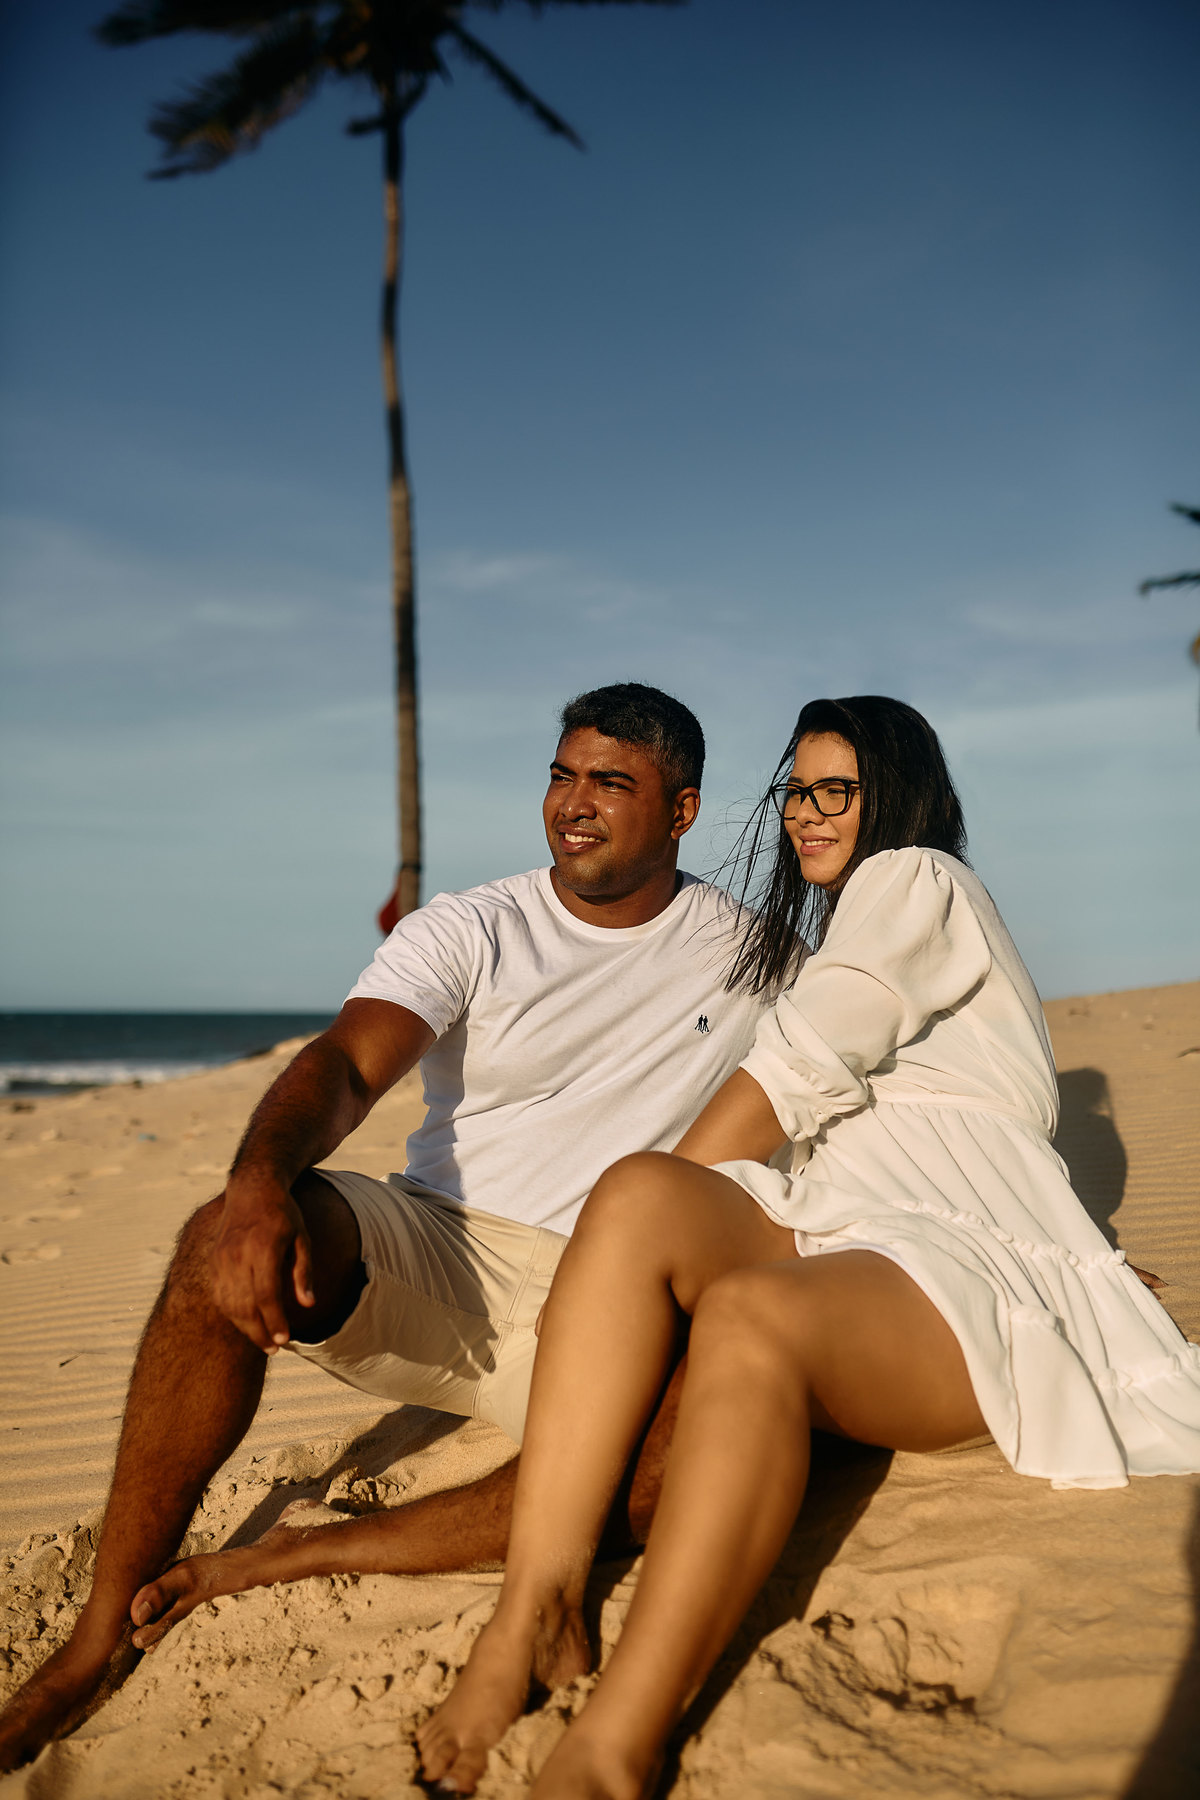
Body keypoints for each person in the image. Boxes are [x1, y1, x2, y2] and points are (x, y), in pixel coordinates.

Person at [417, 694, 1200, 1800]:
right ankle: (533, 1614)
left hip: (948, 1259)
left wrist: (1076, 1267)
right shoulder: (848, 933)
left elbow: (804, 1064)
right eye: (796, 790)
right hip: (849, 1226)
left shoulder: (919, 879)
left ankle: (615, 1746)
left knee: (741, 1307)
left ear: (899, 798)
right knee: (638, 1190)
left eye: (838, 790)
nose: (807, 813)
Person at [0, 682, 771, 1774]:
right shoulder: (474, 924)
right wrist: (263, 1179)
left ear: (682, 810)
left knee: (684, 1459)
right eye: (561, 775)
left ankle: (302, 1557)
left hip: (622, 1297)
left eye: (611, 781)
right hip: (444, 1251)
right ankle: (90, 1643)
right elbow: (346, 1066)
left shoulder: (755, 954)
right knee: (220, 1239)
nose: (574, 805)